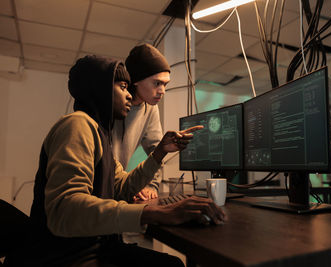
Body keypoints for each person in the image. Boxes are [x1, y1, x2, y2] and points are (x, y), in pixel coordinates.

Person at [6, 55, 226, 266]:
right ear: (100, 89)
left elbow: (122, 187)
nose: (129, 94)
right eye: (122, 87)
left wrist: (159, 152)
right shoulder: (77, 125)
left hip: (93, 246)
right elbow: (66, 208)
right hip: (64, 257)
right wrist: (157, 212)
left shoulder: (101, 136)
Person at [113, 43, 170, 201]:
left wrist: (151, 185)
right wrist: (129, 184)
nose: (162, 91)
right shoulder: (114, 104)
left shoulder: (150, 108)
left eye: (165, 84)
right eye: (157, 83)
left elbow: (156, 150)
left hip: (119, 186)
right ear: (136, 80)